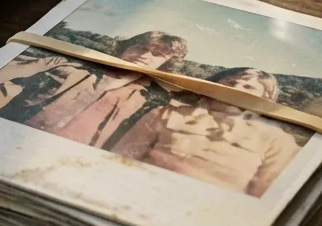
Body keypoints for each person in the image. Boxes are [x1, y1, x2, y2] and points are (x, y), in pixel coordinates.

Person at [108, 67, 301, 198]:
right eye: (230, 82)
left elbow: (266, 197)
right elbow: (121, 161)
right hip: (143, 193)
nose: (235, 88)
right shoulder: (165, 114)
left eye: (248, 87)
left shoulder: (276, 140)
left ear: (264, 100)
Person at [11, 31, 188, 136]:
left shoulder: (150, 100)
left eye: (158, 55)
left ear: (166, 64)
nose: (146, 55)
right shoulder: (67, 66)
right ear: (126, 47)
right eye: (141, 47)